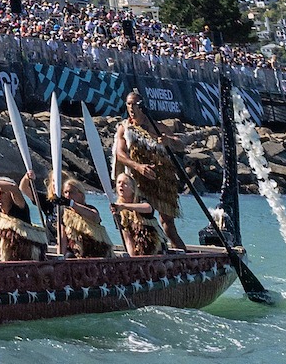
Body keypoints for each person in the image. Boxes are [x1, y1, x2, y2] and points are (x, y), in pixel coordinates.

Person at [113, 92, 188, 250]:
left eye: (135, 104)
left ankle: (182, 255)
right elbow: (120, 154)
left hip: (161, 177)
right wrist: (138, 166)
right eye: (129, 104)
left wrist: (169, 141)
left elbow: (180, 145)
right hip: (138, 178)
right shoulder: (124, 128)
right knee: (134, 218)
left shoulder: (156, 126)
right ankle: (138, 251)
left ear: (142, 105)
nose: (132, 108)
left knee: (167, 223)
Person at [0, 169, 48, 263]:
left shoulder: (20, 207)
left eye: (2, 193)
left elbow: (14, 187)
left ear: (10, 195)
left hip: (23, 257)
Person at [52, 178, 114, 259]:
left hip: (94, 249)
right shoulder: (64, 213)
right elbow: (62, 238)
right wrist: (60, 257)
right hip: (74, 251)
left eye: (71, 192)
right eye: (65, 192)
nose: (67, 195)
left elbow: (95, 217)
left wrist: (72, 204)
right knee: (68, 256)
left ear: (81, 194)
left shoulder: (90, 209)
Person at [112, 171, 169, 256]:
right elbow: (127, 238)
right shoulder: (118, 211)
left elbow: (148, 208)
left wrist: (124, 206)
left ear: (132, 188)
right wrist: (132, 258)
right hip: (136, 245)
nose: (121, 185)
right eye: (119, 182)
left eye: (125, 183)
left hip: (154, 243)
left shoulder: (140, 200)